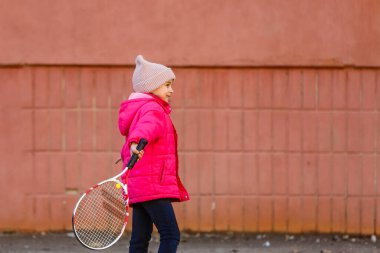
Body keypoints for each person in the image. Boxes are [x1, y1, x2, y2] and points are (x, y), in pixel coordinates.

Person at [118, 55, 190, 253]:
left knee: (140, 239)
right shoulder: (153, 109)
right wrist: (134, 143)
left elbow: (137, 133)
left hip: (141, 185)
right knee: (170, 234)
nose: (171, 90)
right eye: (167, 85)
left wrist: (130, 148)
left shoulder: (139, 109)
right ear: (151, 87)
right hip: (153, 185)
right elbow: (145, 130)